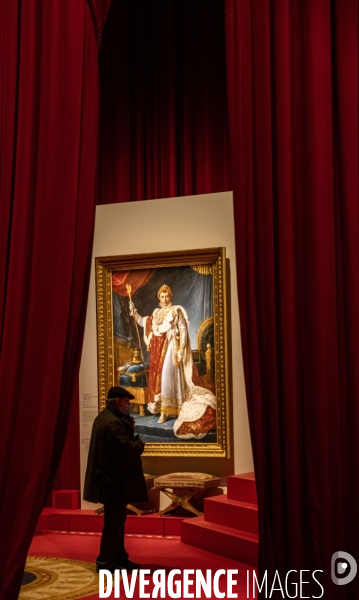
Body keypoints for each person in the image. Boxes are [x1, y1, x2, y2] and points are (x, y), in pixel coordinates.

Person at [129, 284, 216, 439]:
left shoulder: (176, 310)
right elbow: (144, 322)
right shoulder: (156, 313)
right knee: (159, 380)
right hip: (157, 352)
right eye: (162, 296)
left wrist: (181, 350)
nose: (165, 299)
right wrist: (134, 311)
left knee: (167, 379)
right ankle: (163, 410)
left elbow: (182, 331)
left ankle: (170, 410)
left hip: (171, 349)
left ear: (171, 296)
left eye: (167, 296)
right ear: (159, 297)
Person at [83, 386, 148, 572]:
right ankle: (105, 562)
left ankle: (119, 558)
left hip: (113, 481)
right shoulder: (111, 422)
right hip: (112, 482)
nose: (129, 405)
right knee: (113, 524)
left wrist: (129, 426)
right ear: (118, 401)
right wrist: (139, 442)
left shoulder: (108, 418)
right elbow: (129, 449)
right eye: (127, 402)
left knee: (118, 521)